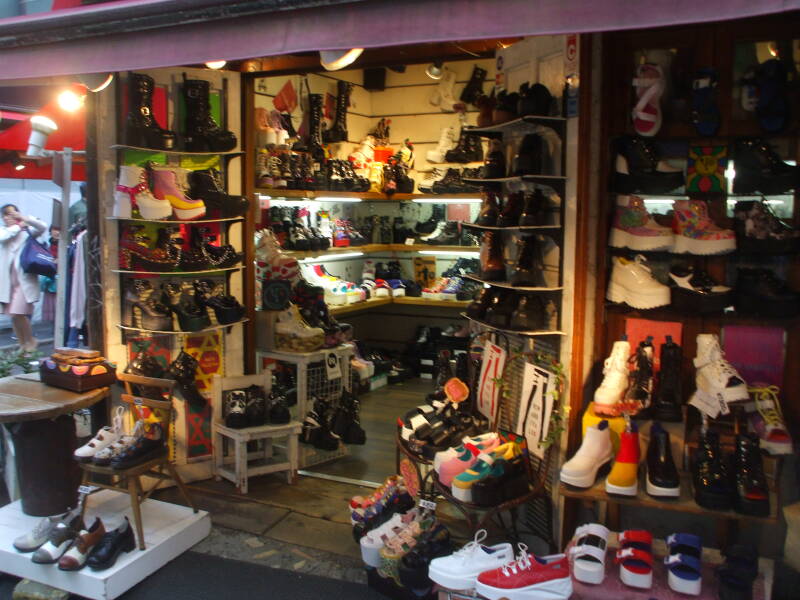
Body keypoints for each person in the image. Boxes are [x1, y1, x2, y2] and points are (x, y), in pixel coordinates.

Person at [0, 204, 47, 352]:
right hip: (8, 281)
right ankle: (23, 344)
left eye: (11, 213)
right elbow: (4, 236)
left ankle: (31, 340)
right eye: (5, 215)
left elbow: (42, 227)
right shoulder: (4, 230)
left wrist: (24, 220)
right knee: (12, 315)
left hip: (24, 279)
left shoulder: (27, 230)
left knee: (18, 312)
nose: (8, 217)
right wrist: (18, 226)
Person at [40, 225, 60, 325]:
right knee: (53, 308)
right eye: (55, 230)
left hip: (62, 281)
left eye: (59, 230)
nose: (57, 232)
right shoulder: (46, 246)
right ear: (50, 231)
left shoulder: (68, 245)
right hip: (50, 281)